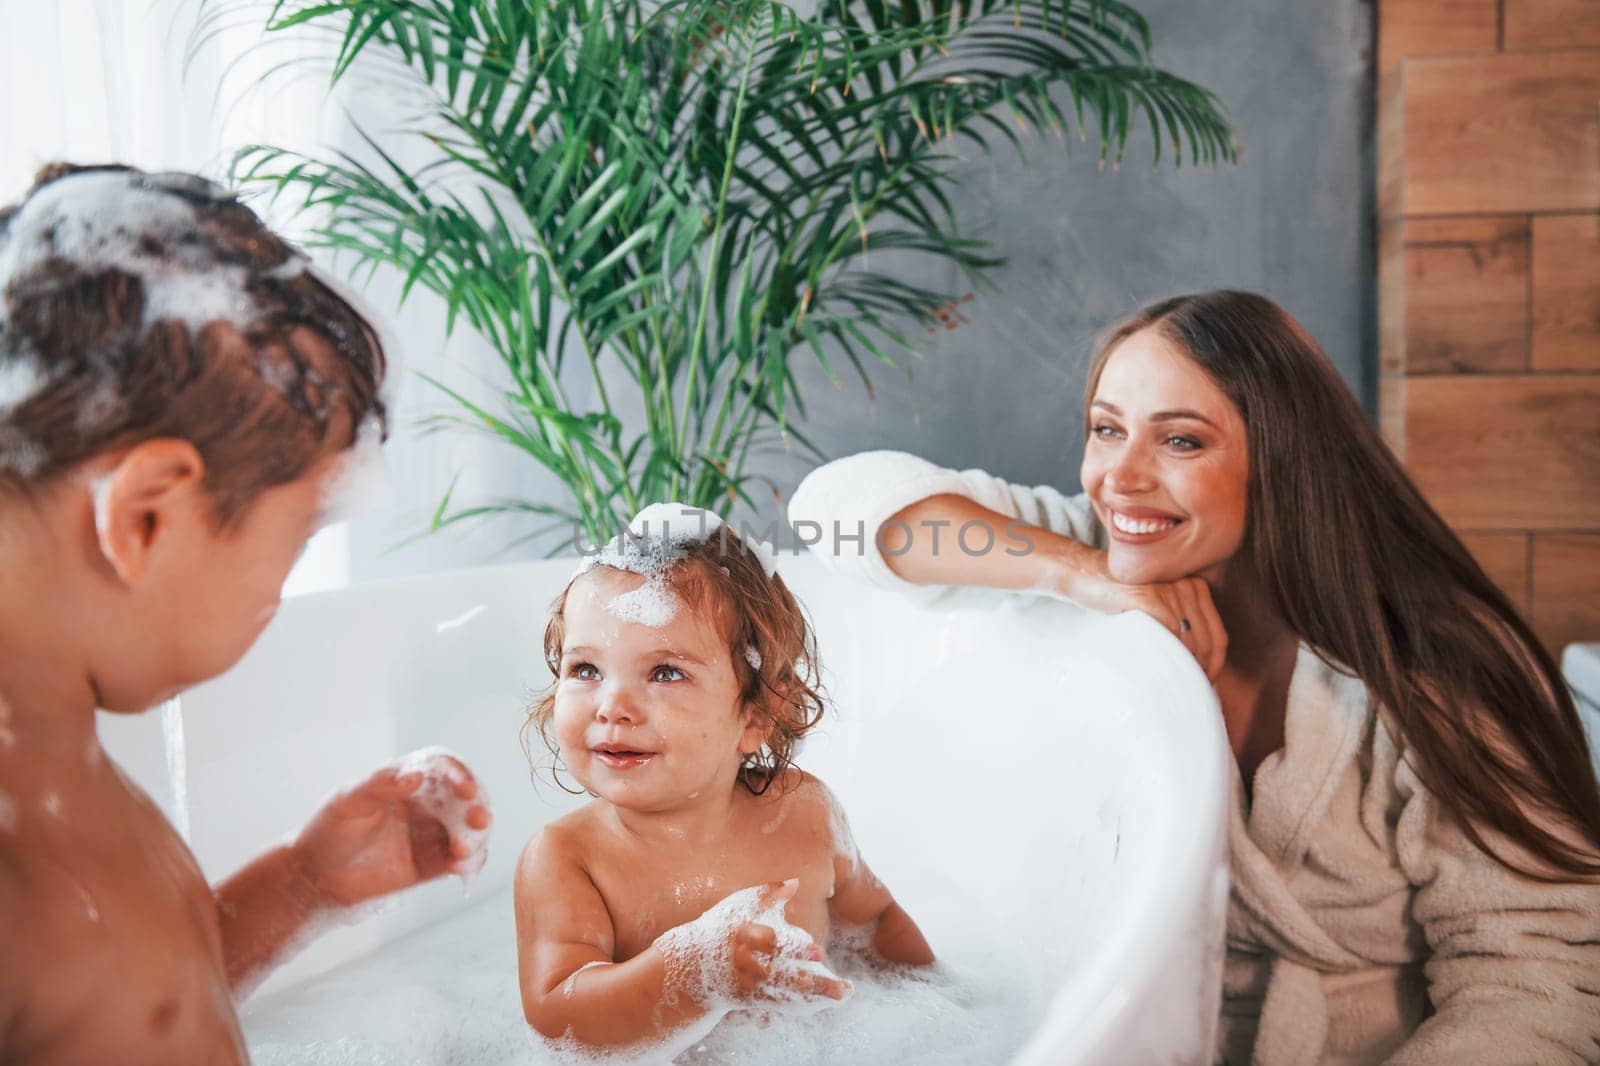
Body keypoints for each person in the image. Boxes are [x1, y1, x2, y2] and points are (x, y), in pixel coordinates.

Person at [787, 290, 1600, 1065]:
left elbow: (1535, 980)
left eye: (1180, 440)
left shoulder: (1438, 669)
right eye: (1106, 430)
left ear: (1282, 460)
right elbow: (830, 511)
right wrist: (1081, 575)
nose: (1121, 477)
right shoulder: (1093, 550)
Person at [0, 164, 492, 1064]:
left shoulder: (61, 762)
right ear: (147, 516)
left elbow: (139, 1005)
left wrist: (304, 884)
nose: (283, 587)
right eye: (298, 536)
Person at [514, 505, 933, 1051]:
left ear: (755, 716)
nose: (611, 705)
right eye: (585, 669)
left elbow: (876, 923)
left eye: (665, 672)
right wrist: (689, 974)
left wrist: (942, 1003)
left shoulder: (803, 812)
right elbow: (556, 1013)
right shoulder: (568, 858)